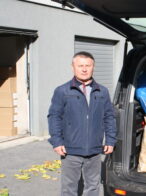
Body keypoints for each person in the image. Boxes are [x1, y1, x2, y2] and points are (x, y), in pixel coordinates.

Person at [48, 51, 117, 196]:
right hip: (70, 150)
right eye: (80, 65)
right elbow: (54, 116)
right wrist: (57, 141)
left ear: (93, 67)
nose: (84, 69)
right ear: (73, 67)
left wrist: (110, 140)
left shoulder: (102, 91)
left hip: (95, 150)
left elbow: (109, 117)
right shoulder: (62, 91)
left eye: (88, 65)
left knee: (93, 186)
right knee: (69, 188)